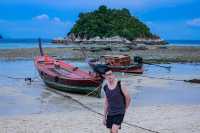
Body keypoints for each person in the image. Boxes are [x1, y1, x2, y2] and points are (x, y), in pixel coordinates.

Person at [102, 68, 131, 133]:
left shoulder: (120, 85)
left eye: (110, 74)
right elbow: (106, 102)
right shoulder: (105, 87)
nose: (109, 76)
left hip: (119, 112)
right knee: (111, 130)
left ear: (114, 75)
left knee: (114, 130)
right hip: (110, 112)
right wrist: (104, 116)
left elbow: (128, 98)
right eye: (107, 75)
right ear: (105, 77)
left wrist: (125, 108)